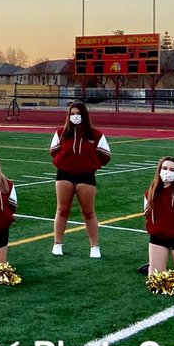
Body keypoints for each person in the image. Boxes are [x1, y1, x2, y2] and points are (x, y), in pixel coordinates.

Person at [49, 101, 111, 258]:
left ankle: (94, 247)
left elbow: (105, 156)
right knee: (62, 210)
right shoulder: (61, 133)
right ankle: (57, 244)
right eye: (72, 114)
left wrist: (90, 163)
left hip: (86, 176)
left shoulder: (96, 135)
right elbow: (53, 152)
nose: (75, 116)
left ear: (84, 115)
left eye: (78, 113)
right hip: (64, 175)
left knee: (88, 212)